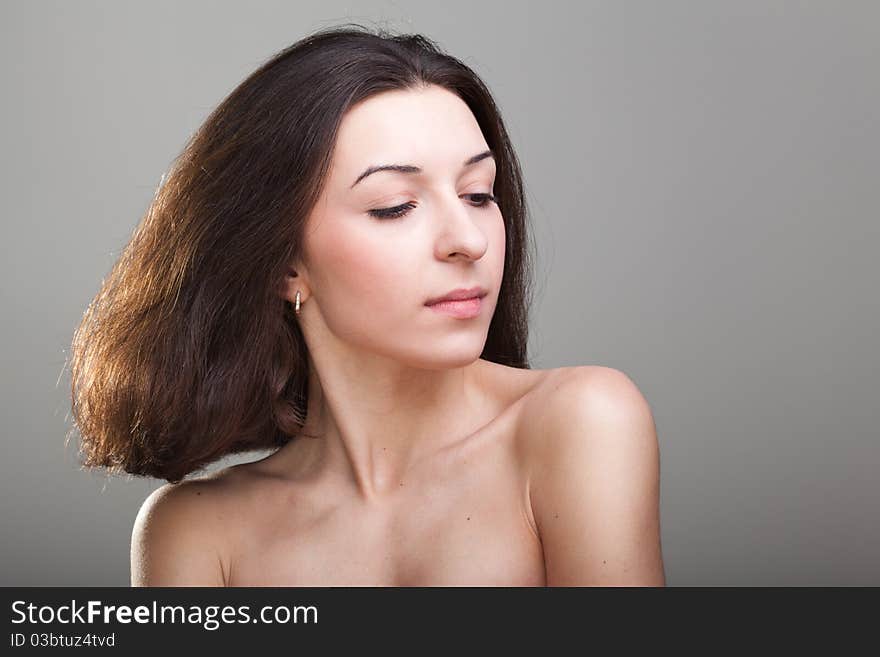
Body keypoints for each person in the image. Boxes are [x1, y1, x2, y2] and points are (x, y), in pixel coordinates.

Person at [69, 24, 665, 586]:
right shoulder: (195, 532)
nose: (469, 239)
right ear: (283, 263)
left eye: (479, 194)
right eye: (394, 206)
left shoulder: (580, 424)